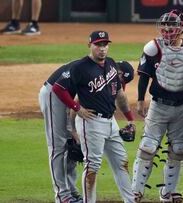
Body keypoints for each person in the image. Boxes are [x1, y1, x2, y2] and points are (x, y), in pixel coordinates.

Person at [52, 30, 137, 203]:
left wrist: (129, 118)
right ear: (90, 45)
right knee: (92, 166)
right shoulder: (79, 67)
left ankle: (130, 201)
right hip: (91, 122)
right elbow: (58, 88)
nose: (102, 49)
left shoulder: (112, 64)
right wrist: (77, 107)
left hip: (111, 122)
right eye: (98, 45)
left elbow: (119, 94)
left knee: (122, 162)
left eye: (105, 44)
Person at [132, 9, 183, 203]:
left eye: (172, 25)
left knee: (179, 149)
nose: (167, 29)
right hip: (158, 106)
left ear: (182, 27)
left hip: (182, 107)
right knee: (148, 147)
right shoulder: (153, 47)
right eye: (165, 25)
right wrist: (140, 100)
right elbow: (144, 76)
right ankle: (135, 191)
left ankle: (168, 191)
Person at [39, 65, 83, 203]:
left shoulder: (105, 73)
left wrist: (74, 132)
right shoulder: (88, 67)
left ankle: (71, 191)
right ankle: (62, 196)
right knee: (57, 146)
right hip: (53, 94)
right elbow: (59, 88)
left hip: (68, 97)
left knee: (72, 145)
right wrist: (74, 128)